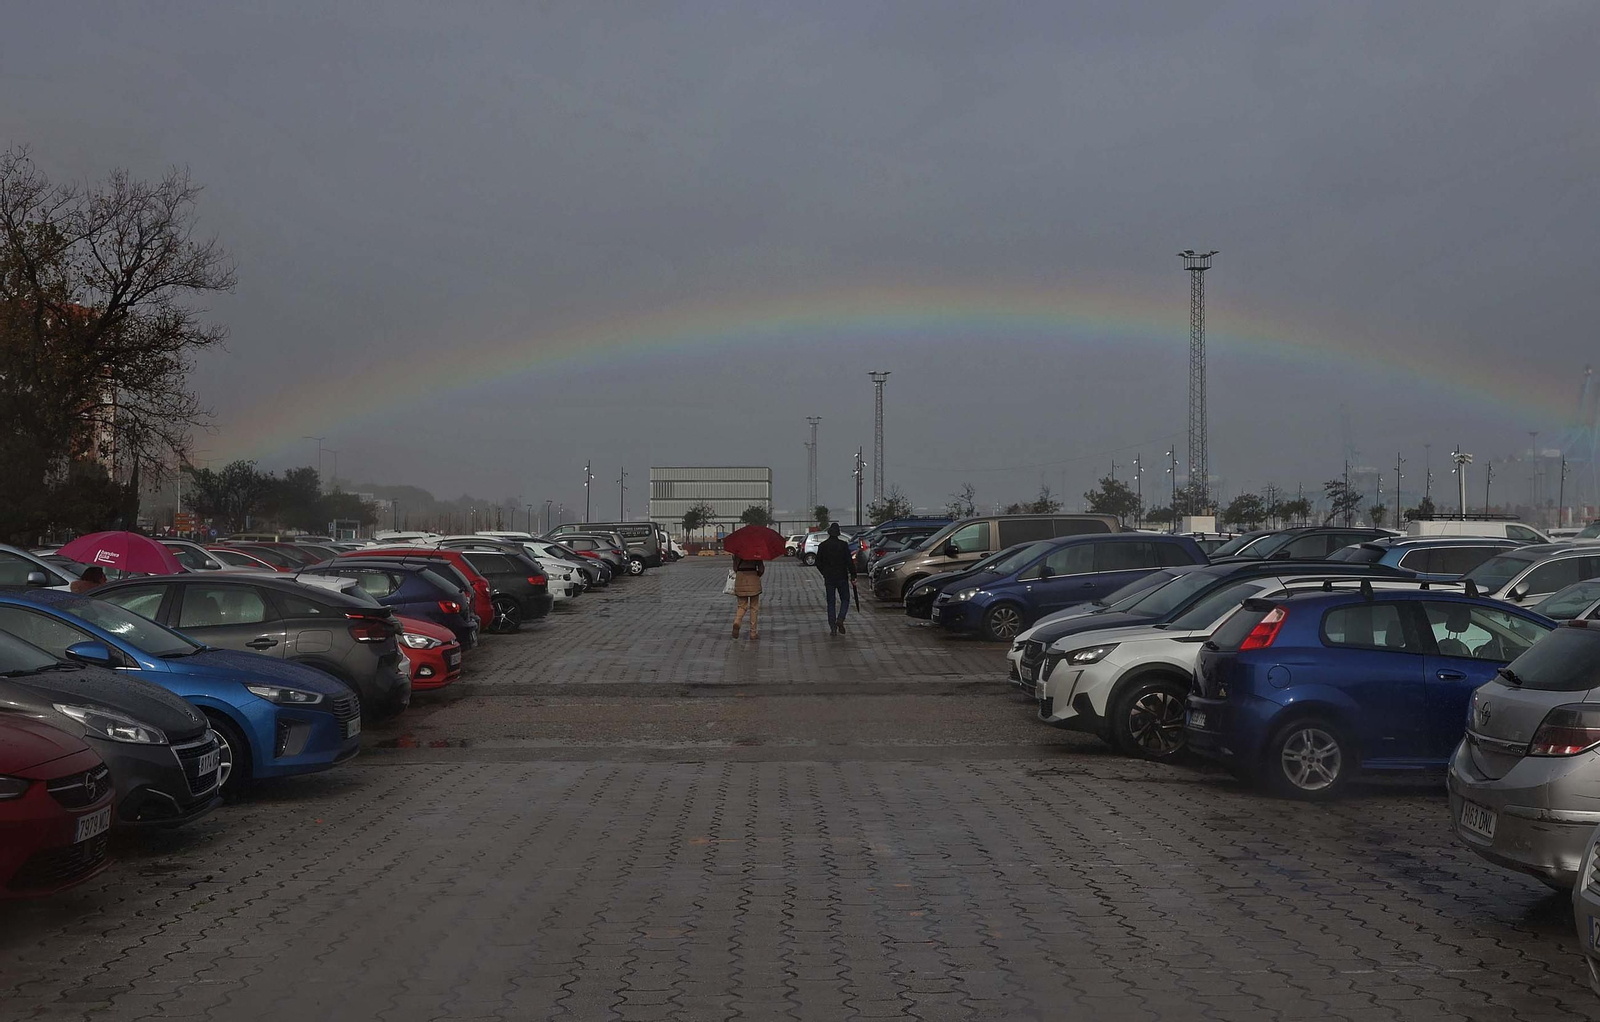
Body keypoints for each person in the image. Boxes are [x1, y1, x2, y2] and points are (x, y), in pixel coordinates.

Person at [813, 522, 857, 634]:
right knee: (845, 599)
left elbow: (818, 562)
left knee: (831, 602)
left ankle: (832, 627)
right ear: (838, 533)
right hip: (842, 576)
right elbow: (849, 562)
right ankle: (841, 618)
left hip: (829, 577)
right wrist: (853, 575)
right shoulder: (843, 545)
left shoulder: (823, 546)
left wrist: (824, 572)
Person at [730, 554, 764, 639]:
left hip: (740, 578)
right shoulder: (756, 552)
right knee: (754, 607)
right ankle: (753, 633)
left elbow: (735, 568)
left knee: (742, 606)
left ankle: (737, 621)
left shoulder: (737, 552)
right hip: (753, 578)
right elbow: (761, 569)